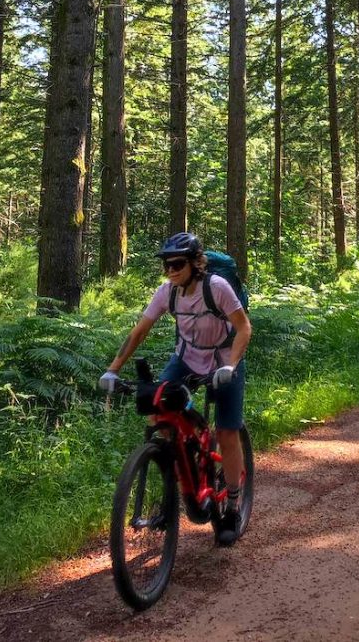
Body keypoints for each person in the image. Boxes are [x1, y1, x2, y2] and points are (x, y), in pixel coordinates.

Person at [99, 232, 252, 547]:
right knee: (159, 412)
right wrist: (113, 370)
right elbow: (139, 331)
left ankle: (233, 507)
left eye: (177, 264)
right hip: (186, 359)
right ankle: (181, 464)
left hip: (224, 360)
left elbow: (244, 327)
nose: (170, 270)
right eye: (166, 265)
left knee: (226, 432)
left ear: (196, 264)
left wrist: (230, 366)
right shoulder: (167, 293)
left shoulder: (217, 288)